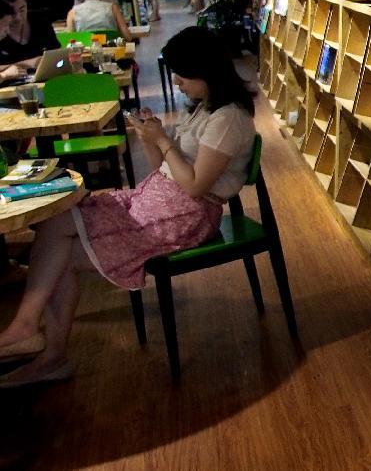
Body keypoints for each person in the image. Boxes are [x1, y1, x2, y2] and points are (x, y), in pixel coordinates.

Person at [0, 26, 257, 386]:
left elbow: (197, 186)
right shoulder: (205, 107)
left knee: (56, 251)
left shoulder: (229, 118)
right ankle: (33, 337)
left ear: (206, 71)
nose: (179, 83)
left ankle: (41, 345)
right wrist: (150, 138)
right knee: (56, 223)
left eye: (183, 76)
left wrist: (164, 141)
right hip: (160, 201)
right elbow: (164, 171)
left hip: (184, 216)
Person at [0, 0, 61, 68]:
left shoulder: (41, 23)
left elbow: (57, 51)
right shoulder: (1, 33)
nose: (18, 17)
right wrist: (28, 63)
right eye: (12, 13)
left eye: (22, 10)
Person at [66, 0, 133, 42]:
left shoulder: (72, 13)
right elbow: (127, 36)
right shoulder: (113, 8)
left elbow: (70, 41)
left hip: (87, 51)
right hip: (112, 50)